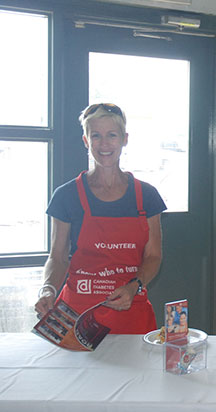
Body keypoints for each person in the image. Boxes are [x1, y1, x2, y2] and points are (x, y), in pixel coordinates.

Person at [34, 103, 166, 334]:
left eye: (112, 135)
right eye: (96, 135)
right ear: (86, 141)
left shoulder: (147, 195)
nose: (104, 144)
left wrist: (134, 286)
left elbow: (153, 256)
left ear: (124, 139)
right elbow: (58, 257)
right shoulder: (66, 196)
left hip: (131, 311)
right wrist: (48, 289)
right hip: (75, 316)